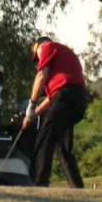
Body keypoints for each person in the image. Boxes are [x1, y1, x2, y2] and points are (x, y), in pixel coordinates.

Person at [23, 35, 87, 188]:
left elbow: (41, 76)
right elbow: (53, 98)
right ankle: (77, 188)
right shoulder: (65, 55)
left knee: (45, 139)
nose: (38, 62)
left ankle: (39, 185)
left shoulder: (47, 47)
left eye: (36, 58)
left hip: (65, 96)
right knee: (61, 146)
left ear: (39, 47)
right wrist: (34, 114)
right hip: (78, 99)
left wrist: (31, 105)